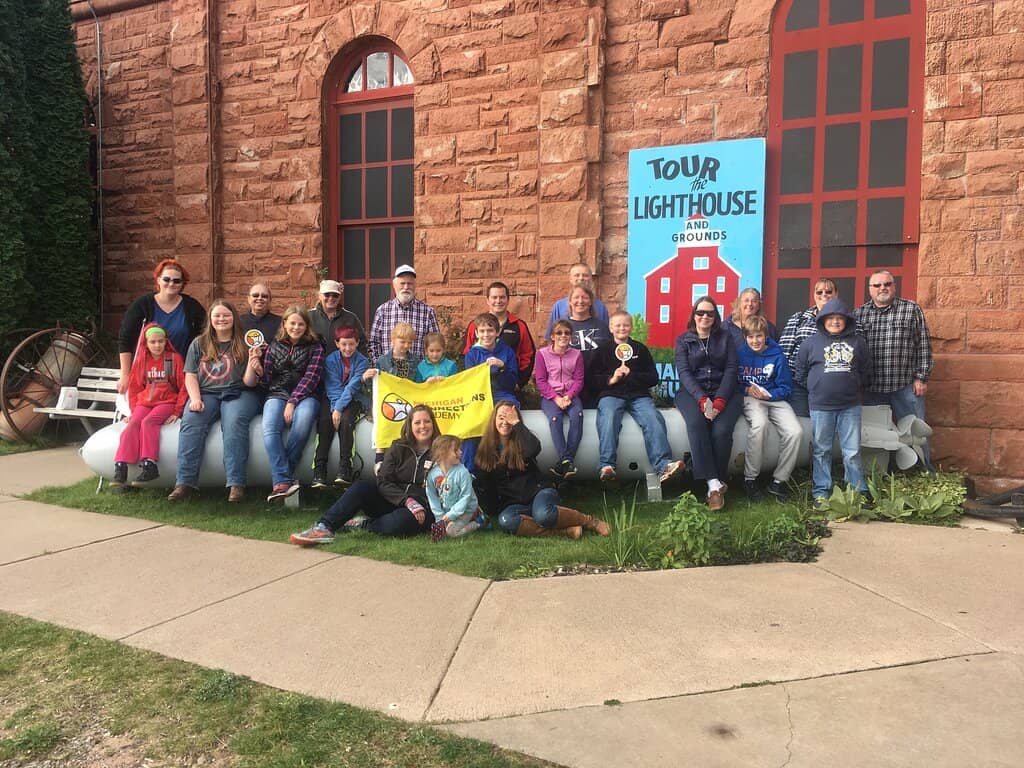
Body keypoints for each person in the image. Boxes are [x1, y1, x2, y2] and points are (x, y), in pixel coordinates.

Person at [289, 404, 441, 544]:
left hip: (422, 508)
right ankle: (323, 527)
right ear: (410, 425)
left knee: (399, 524)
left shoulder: (442, 451)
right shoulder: (398, 446)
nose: (423, 426)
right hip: (393, 500)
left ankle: (363, 524)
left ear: (433, 424)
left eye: (427, 422)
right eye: (417, 422)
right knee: (361, 487)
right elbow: (383, 481)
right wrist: (406, 500)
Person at [168, 300, 262, 503]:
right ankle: (184, 482)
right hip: (206, 393)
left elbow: (249, 382)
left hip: (238, 392)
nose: (222, 319)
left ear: (234, 318)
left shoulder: (244, 342)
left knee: (234, 422)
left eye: (226, 315)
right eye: (217, 315)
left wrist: (253, 363)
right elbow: (190, 374)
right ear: (210, 319)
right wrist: (195, 399)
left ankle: (236, 484)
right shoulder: (199, 343)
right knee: (191, 421)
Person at [475, 401, 610, 538]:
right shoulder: (486, 449)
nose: (505, 422)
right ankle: (565, 532)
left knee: (543, 515)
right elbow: (487, 485)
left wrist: (517, 423)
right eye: (501, 417)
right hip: (514, 502)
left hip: (538, 492)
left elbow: (534, 449)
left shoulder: (523, 438)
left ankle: (590, 521)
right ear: (494, 420)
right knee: (506, 521)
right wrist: (491, 509)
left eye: (509, 417)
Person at [853, 270, 935, 471]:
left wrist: (921, 378)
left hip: (906, 386)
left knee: (915, 433)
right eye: (877, 285)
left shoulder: (911, 309)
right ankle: (882, 475)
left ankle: (924, 475)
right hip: (873, 388)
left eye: (887, 284)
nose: (883, 288)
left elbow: (923, 345)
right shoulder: (859, 314)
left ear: (894, 286)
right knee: (877, 436)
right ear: (870, 290)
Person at [590, 311, 683, 485]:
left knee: (653, 418)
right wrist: (612, 379)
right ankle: (607, 465)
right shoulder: (602, 351)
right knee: (608, 418)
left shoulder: (640, 349)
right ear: (610, 328)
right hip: (611, 394)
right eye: (617, 325)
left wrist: (631, 375)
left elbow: (653, 377)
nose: (621, 328)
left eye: (625, 325)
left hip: (638, 395)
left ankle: (664, 465)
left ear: (631, 327)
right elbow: (592, 379)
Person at [796, 298, 872, 507]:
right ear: (823, 320)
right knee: (821, 450)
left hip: (850, 405)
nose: (835, 322)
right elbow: (800, 372)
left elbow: (866, 370)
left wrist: (855, 383)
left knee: (852, 451)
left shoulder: (858, 343)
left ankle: (857, 491)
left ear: (846, 321)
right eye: (831, 318)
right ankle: (821, 491)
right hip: (821, 406)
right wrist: (816, 387)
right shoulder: (810, 343)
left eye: (840, 318)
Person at [244, 306, 324, 502]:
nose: (296, 327)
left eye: (300, 324)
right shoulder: (274, 346)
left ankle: (281, 479)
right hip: (277, 394)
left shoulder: (316, 347)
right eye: (292, 323)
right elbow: (267, 382)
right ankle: (284, 480)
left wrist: (292, 402)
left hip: (306, 395)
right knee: (270, 428)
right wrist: (260, 372)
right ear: (285, 324)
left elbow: (311, 379)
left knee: (302, 423)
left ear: (306, 326)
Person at [674, 296, 743, 511]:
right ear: (693, 315)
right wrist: (703, 400)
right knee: (696, 425)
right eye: (700, 312)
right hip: (692, 393)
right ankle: (714, 484)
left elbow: (732, 369)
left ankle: (715, 482)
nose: (705, 317)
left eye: (710, 313)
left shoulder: (727, 337)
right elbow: (684, 372)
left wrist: (720, 401)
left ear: (716, 317)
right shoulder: (683, 340)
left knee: (721, 431)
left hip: (726, 392)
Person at [111, 323, 186, 492]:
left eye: (160, 341)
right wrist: (132, 411)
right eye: (153, 342)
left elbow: (183, 387)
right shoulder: (141, 361)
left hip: (167, 402)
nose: (157, 345)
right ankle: (120, 466)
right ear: (146, 343)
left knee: (149, 422)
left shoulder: (174, 359)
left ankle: (149, 464)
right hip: (144, 402)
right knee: (133, 423)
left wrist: (177, 410)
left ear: (166, 341)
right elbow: (135, 387)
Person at [737, 316, 802, 502]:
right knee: (760, 424)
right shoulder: (740, 354)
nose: (755, 341)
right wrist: (747, 389)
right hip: (751, 398)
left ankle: (779, 481)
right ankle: (750, 479)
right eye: (750, 337)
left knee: (795, 432)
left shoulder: (777, 355)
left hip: (775, 398)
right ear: (745, 337)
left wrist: (771, 395)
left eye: (759, 336)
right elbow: (734, 383)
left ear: (766, 336)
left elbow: (786, 388)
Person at [118, 259, 206, 394]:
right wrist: (125, 374)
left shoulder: (192, 306)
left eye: (177, 281)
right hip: (148, 374)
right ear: (158, 280)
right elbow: (125, 339)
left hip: (181, 374)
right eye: (166, 279)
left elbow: (206, 335)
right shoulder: (142, 305)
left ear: (183, 284)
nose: (171, 283)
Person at [312, 326, 369, 489]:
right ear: (337, 343)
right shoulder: (330, 360)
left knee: (346, 421)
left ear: (357, 343)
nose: (347, 348)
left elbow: (353, 387)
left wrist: (338, 410)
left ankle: (345, 467)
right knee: (324, 421)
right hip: (332, 398)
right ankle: (319, 468)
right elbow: (333, 387)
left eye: (351, 344)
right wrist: (335, 409)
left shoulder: (363, 361)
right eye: (343, 344)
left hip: (353, 399)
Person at [779, 278, 845, 417]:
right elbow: (784, 352)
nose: (824, 295)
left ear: (836, 294)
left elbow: (858, 353)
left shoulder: (848, 321)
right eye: (819, 292)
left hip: (833, 387)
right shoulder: (799, 318)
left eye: (828, 291)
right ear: (814, 295)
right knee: (803, 425)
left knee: (826, 431)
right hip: (800, 387)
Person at [461, 312, 518, 471]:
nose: (486, 334)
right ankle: (469, 472)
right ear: (477, 333)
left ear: (497, 332)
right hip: (480, 396)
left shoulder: (507, 352)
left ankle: (505, 467)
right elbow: (471, 383)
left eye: (490, 330)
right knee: (471, 425)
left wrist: (502, 368)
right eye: (482, 331)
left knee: (507, 416)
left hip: (503, 395)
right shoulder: (472, 354)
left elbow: (512, 383)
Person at [534, 319, 584, 479]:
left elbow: (579, 379)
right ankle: (567, 460)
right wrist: (556, 398)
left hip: (571, 395)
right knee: (555, 419)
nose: (563, 336)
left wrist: (569, 396)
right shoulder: (542, 354)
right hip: (551, 396)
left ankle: (565, 461)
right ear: (552, 336)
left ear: (571, 336)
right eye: (559, 333)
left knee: (578, 416)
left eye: (567, 333)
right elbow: (540, 381)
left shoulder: (576, 354)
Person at [462, 281, 536, 388]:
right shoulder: (475, 325)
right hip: (480, 387)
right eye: (494, 297)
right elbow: (466, 353)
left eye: (502, 297)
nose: (498, 301)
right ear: (488, 300)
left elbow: (528, 355)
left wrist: (519, 382)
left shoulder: (519, 325)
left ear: (508, 300)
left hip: (509, 385)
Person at [368, 265, 439, 362]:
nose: (406, 287)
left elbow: (435, 343)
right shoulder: (382, 311)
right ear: (394, 285)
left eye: (409, 283)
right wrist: (380, 367)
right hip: (388, 373)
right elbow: (373, 344)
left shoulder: (428, 312)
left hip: (417, 373)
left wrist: (426, 369)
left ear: (415, 285)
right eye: (402, 283)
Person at [425, 435, 486, 541]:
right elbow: (432, 496)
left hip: (466, 510)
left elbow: (466, 497)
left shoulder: (463, 472)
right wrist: (439, 517)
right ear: (442, 453)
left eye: (460, 449)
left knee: (451, 532)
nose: (460, 453)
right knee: (442, 530)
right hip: (447, 511)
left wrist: (451, 515)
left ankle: (480, 521)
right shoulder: (432, 474)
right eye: (456, 450)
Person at [565, 284, 611, 406]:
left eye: (585, 297)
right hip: (570, 386)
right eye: (576, 297)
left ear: (591, 302)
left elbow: (609, 357)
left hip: (597, 387)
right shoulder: (563, 327)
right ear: (570, 301)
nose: (580, 301)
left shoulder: (602, 326)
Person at [544, 263, 610, 340]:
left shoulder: (600, 306)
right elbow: (551, 337)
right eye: (577, 275)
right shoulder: (559, 306)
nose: (581, 278)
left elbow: (606, 335)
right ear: (570, 279)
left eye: (585, 275)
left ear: (591, 279)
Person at [308, 279, 365, 351]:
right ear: (319, 295)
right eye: (327, 294)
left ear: (339, 297)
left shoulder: (350, 318)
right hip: (316, 361)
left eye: (335, 295)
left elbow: (362, 343)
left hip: (343, 362)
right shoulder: (309, 317)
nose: (331, 298)